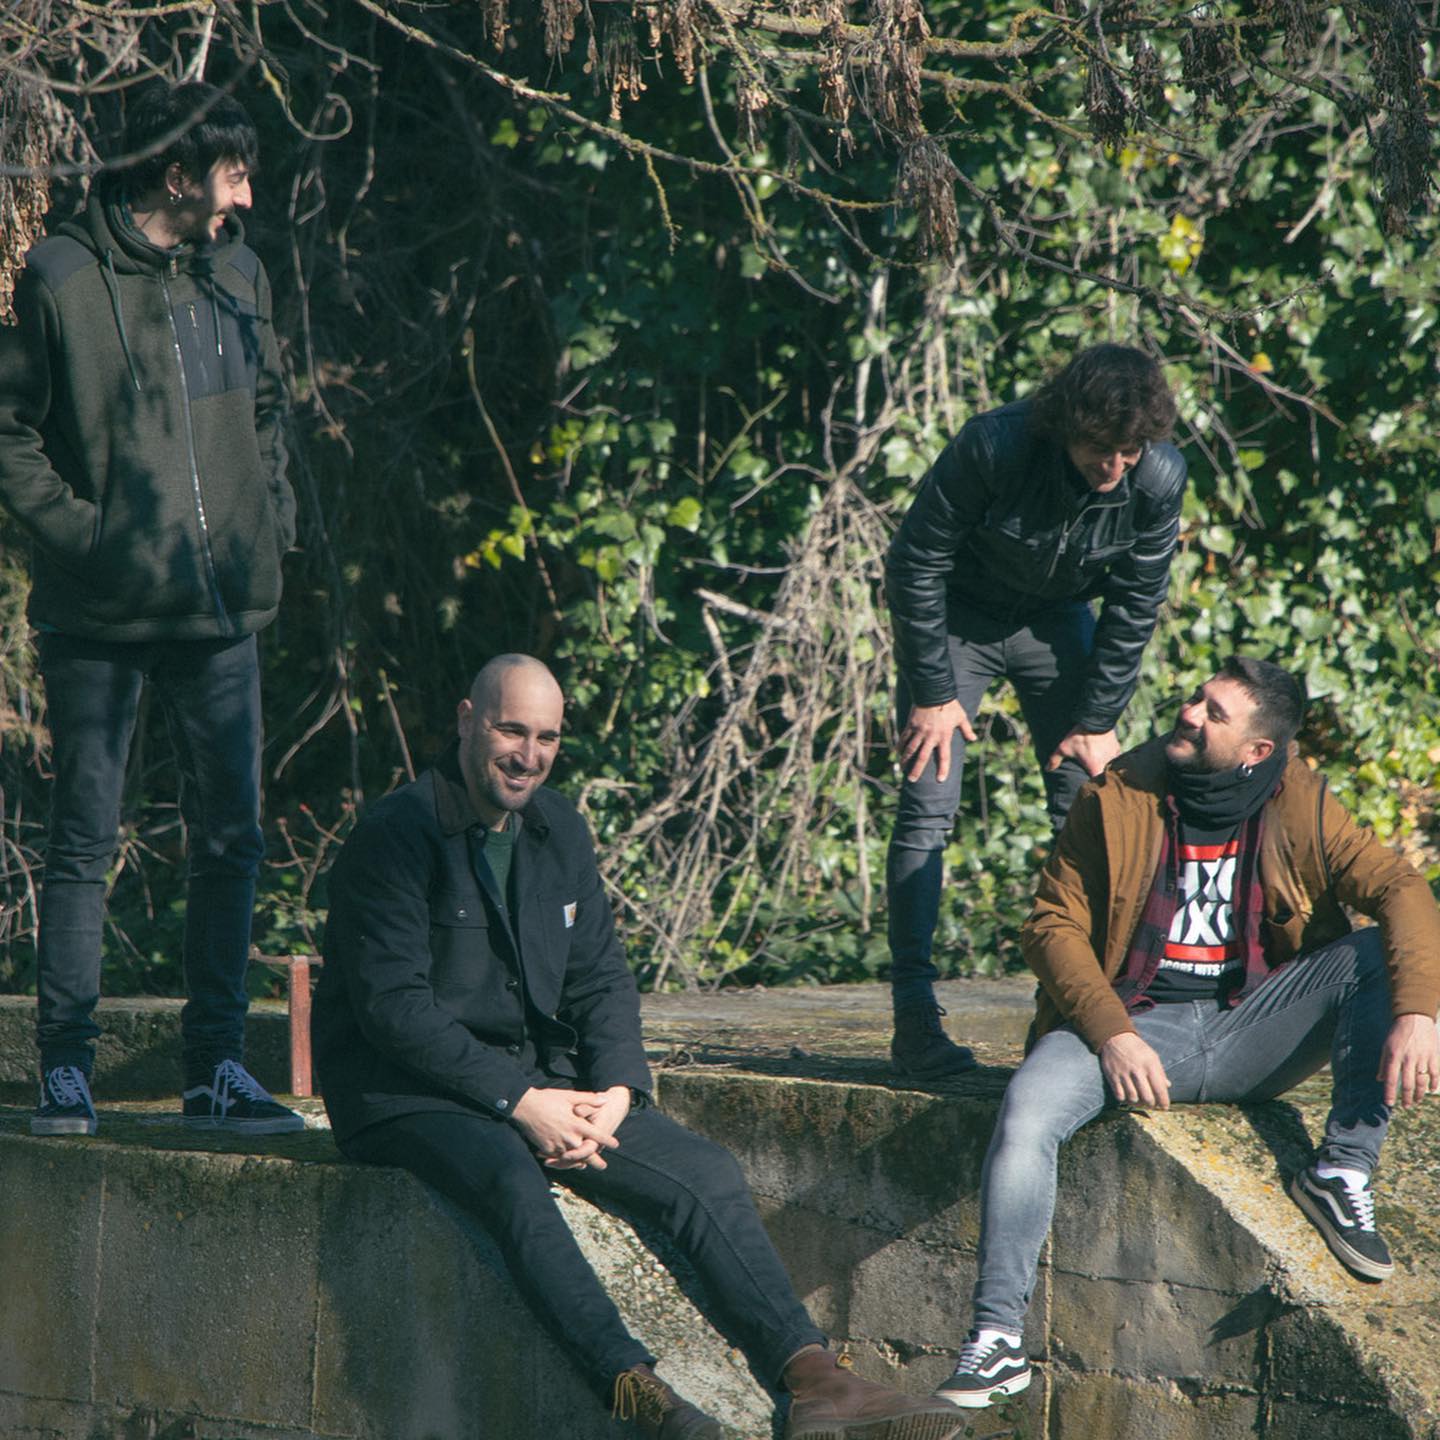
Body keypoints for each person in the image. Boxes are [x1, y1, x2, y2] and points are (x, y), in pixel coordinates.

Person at [313, 655, 966, 1440]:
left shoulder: (559, 829)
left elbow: (600, 980)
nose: (528, 755)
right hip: (404, 1092)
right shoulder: (395, 834)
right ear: (466, 720)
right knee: (509, 1175)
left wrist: (618, 1091)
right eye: (511, 731)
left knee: (705, 1171)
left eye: (547, 738)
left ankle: (816, 1383)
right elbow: (395, 1011)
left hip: (538, 1083)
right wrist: (523, 1105)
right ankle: (641, 1396)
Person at [934, 656, 1440, 1410]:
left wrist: (1420, 1012)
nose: (1189, 713)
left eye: (1213, 713)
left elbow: (1398, 885)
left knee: (1373, 957)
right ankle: (998, 1341)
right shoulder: (1120, 793)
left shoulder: (1299, 798)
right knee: (1027, 1112)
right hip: (1133, 1025)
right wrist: (1111, 1033)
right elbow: (1050, 925)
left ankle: (1340, 1172)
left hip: (1254, 1023)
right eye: (1196, 698)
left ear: (1257, 751)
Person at [0, 82, 301, 1136]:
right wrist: (92, 539)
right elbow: (9, 434)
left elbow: (269, 409)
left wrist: (270, 521)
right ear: (179, 178)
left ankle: (214, 1066)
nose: (246, 198)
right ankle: (65, 1070)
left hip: (222, 613)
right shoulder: (61, 276)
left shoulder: (241, 274)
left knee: (233, 842)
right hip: (100, 618)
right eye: (233, 177)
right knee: (84, 843)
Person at [883, 344, 1187, 1077]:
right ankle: (914, 1019)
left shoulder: (1156, 476)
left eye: (1129, 452)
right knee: (928, 805)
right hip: (959, 622)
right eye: (1100, 449)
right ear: (1066, 426)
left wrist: (1098, 718)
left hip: (1057, 624)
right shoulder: (995, 445)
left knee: (1091, 806)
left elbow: (1136, 602)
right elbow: (916, 561)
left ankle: (1075, 1012)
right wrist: (933, 692)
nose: (1114, 467)